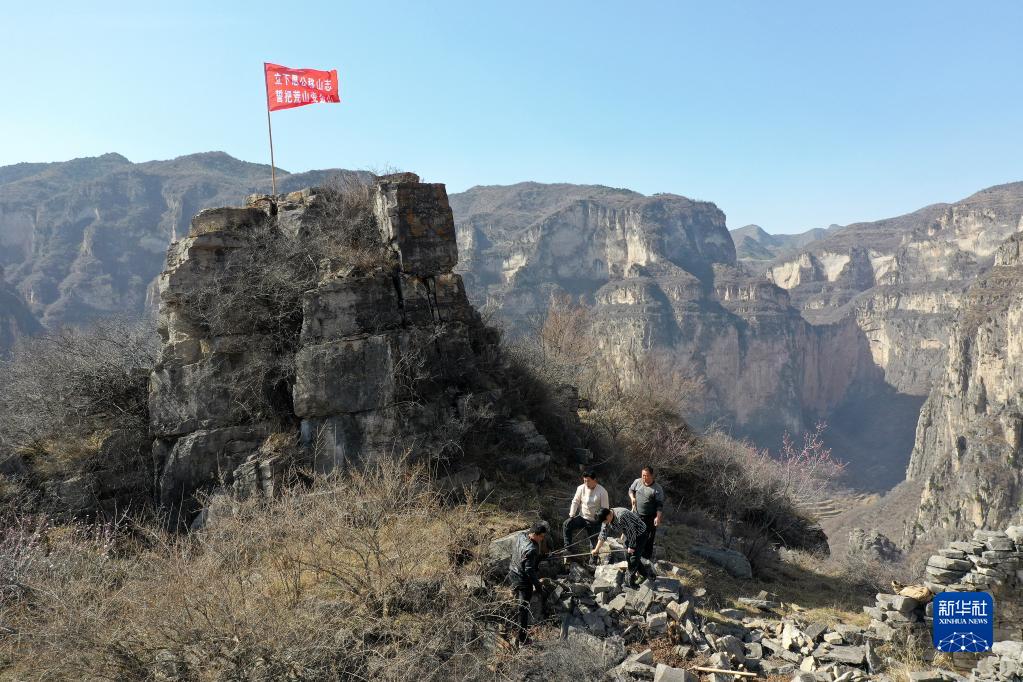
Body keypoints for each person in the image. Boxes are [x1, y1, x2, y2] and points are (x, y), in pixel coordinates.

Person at [590, 506, 652, 587]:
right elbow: (603, 535)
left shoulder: (621, 516)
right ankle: (644, 574)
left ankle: (631, 582)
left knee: (633, 557)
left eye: (605, 521)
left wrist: (632, 546)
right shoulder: (605, 519)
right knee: (627, 556)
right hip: (628, 533)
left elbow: (632, 532)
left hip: (640, 533)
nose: (605, 523)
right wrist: (596, 549)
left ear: (608, 515)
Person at [508, 522, 547, 645]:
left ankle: (514, 596)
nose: (542, 538)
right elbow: (529, 570)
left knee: (519, 603)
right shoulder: (531, 549)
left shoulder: (521, 536)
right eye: (541, 536)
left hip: (512, 572)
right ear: (535, 534)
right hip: (523, 580)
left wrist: (539, 557)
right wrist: (537, 585)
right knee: (523, 607)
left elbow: (523, 556)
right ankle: (523, 637)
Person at [562, 470, 609, 557]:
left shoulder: (602, 492)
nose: (586, 483)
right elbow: (575, 501)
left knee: (593, 545)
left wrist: (603, 524)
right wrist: (572, 514)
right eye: (584, 481)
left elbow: (605, 510)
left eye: (588, 481)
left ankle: (593, 563)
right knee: (567, 524)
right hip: (582, 517)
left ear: (594, 480)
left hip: (595, 522)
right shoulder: (581, 488)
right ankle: (567, 549)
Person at [628, 465, 665, 562]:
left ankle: (646, 560)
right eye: (643, 475)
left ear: (652, 476)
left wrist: (657, 517)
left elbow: (659, 505)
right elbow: (631, 490)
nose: (644, 477)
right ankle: (632, 555)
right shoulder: (637, 482)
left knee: (648, 539)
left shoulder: (657, 489)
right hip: (636, 514)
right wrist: (632, 498)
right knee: (634, 535)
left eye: (646, 475)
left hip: (650, 517)